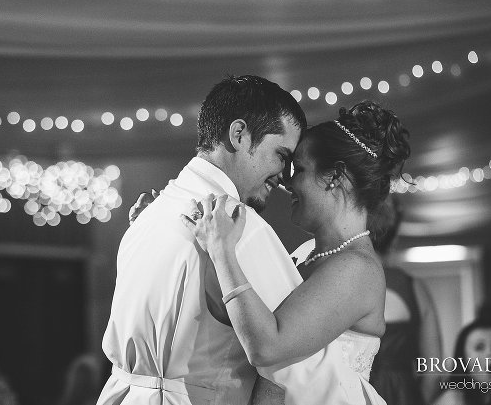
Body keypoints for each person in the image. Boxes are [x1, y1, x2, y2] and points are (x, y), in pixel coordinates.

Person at [98, 75, 381, 405]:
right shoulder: (235, 227)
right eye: (281, 155)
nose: (283, 177)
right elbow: (294, 367)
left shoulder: (150, 216)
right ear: (239, 135)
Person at [180, 99, 411, 404]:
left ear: (335, 177)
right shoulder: (306, 253)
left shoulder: (357, 268)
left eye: (299, 169)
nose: (285, 182)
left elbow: (267, 346)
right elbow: (239, 317)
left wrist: (223, 252)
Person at [368, 196, 443, 405]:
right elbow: (434, 368)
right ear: (394, 237)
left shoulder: (343, 281)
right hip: (404, 395)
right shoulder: (414, 288)